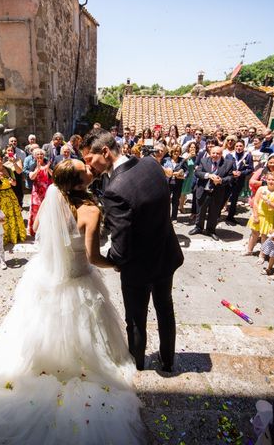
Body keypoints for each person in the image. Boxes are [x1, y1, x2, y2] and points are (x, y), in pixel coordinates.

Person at [0, 160, 144, 444]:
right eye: (87, 171)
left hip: (48, 279)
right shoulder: (90, 210)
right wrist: (117, 265)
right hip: (80, 280)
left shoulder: (52, 201)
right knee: (85, 332)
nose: (91, 171)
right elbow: (94, 257)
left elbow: (35, 228)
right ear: (80, 183)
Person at [81, 128, 183, 372]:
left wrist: (113, 261)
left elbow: (121, 246)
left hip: (138, 268)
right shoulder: (152, 164)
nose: (89, 166)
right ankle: (168, 361)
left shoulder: (115, 190)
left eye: (88, 159)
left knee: (136, 320)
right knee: (165, 309)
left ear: (104, 151)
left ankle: (137, 365)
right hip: (165, 254)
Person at [189, 146, 235, 241]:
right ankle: (198, 227)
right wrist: (208, 175)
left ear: (221, 154)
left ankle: (210, 230)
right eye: (213, 153)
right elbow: (197, 172)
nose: (215, 155)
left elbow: (230, 177)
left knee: (214, 213)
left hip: (217, 192)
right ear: (210, 153)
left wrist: (221, 180)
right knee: (200, 211)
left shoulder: (228, 163)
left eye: (218, 153)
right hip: (203, 191)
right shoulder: (204, 161)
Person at [245, 171, 274, 259]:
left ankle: (262, 255)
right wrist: (255, 215)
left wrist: (266, 200)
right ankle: (249, 250)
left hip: (269, 217)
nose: (270, 181)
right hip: (259, 214)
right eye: (269, 179)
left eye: (273, 180)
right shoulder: (261, 189)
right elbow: (255, 202)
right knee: (254, 234)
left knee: (265, 236)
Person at [0, 152, 26, 245]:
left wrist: (11, 181)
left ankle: (13, 236)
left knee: (13, 215)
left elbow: (15, 184)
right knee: (0, 217)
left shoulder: (9, 170)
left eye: (1, 160)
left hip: (9, 194)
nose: (0, 161)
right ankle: (1, 237)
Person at [226, 140, 254, 225]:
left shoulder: (247, 156)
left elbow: (250, 168)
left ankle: (230, 217)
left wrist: (241, 173)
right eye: (237, 146)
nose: (238, 148)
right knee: (223, 197)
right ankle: (217, 215)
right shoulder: (229, 155)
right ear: (234, 147)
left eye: (240, 146)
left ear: (244, 147)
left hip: (239, 181)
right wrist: (232, 172)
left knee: (234, 199)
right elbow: (225, 167)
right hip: (229, 180)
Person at [27, 148, 52, 236]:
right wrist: (37, 169)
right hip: (37, 191)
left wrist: (48, 169)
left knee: (47, 209)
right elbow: (31, 177)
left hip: (46, 190)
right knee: (36, 210)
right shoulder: (33, 165)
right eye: (37, 154)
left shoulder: (48, 164)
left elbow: (53, 176)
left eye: (41, 154)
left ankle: (46, 229)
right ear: (34, 156)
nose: (39, 156)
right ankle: (35, 230)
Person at [163, 145, 185, 221]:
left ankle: (174, 217)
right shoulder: (165, 159)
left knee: (175, 200)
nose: (176, 152)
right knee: (166, 200)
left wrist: (181, 173)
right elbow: (162, 169)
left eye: (178, 151)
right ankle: (165, 216)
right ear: (172, 151)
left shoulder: (182, 160)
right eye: (175, 151)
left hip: (178, 183)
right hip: (167, 183)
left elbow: (187, 171)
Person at [179, 141, 198, 214]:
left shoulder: (195, 156)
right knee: (182, 191)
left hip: (190, 175)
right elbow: (182, 162)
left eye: (194, 147)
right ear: (188, 148)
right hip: (184, 175)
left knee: (185, 191)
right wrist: (189, 156)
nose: (192, 149)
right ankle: (181, 206)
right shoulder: (186, 154)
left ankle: (181, 204)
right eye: (191, 147)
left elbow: (193, 166)